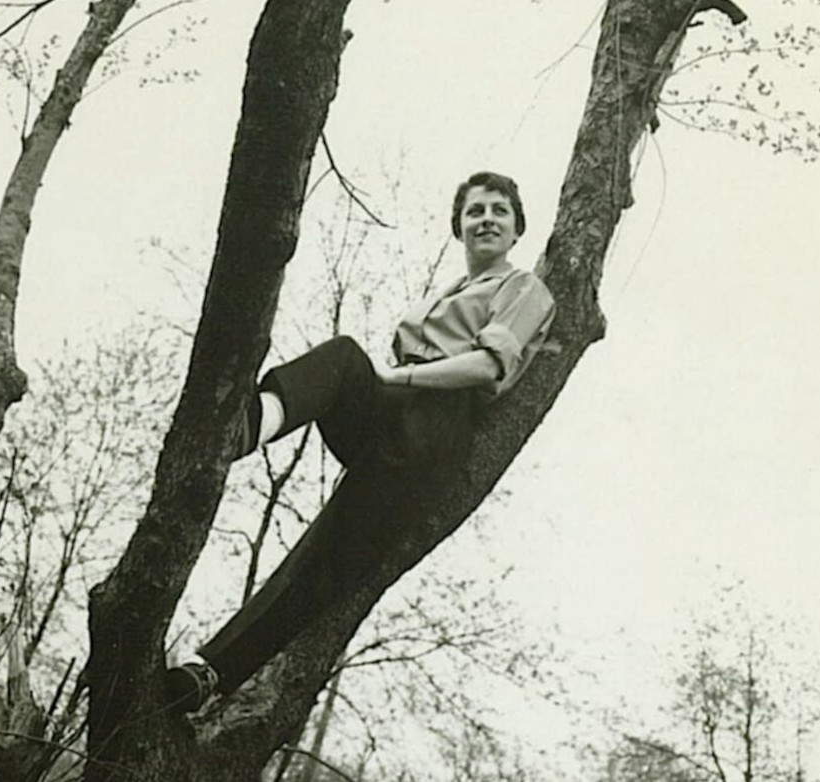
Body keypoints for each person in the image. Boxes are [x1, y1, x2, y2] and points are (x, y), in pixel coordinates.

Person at [165, 171, 556, 712]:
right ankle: (247, 427)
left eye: (498, 211)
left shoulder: (523, 287)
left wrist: (396, 379)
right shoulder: (452, 291)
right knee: (341, 367)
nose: (486, 219)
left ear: (516, 229)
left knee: (322, 556)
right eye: (474, 211)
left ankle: (211, 672)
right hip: (394, 421)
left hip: (436, 423)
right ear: (459, 228)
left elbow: (489, 367)